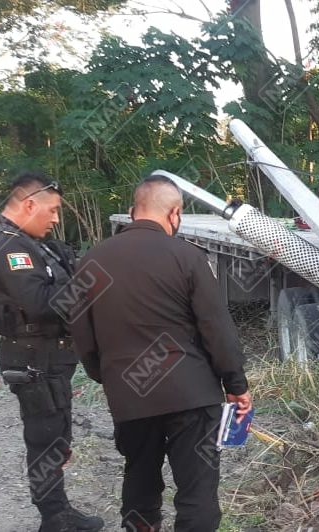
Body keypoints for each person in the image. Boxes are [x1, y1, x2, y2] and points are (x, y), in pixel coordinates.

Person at [73, 175, 252, 531]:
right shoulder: (189, 257)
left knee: (139, 481)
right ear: (175, 213)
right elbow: (217, 329)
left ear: (132, 211)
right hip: (191, 396)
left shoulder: (90, 262)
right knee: (197, 490)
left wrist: (110, 377)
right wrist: (235, 383)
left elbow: (84, 339)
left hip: (129, 396)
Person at [0, 173, 104, 532]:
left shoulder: (30, 242)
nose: (55, 219)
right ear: (29, 204)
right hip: (32, 358)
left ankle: (59, 510)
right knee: (45, 437)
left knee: (57, 435)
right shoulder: (7, 246)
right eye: (52, 211)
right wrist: (86, 286)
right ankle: (53, 518)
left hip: (49, 356)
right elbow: (39, 303)